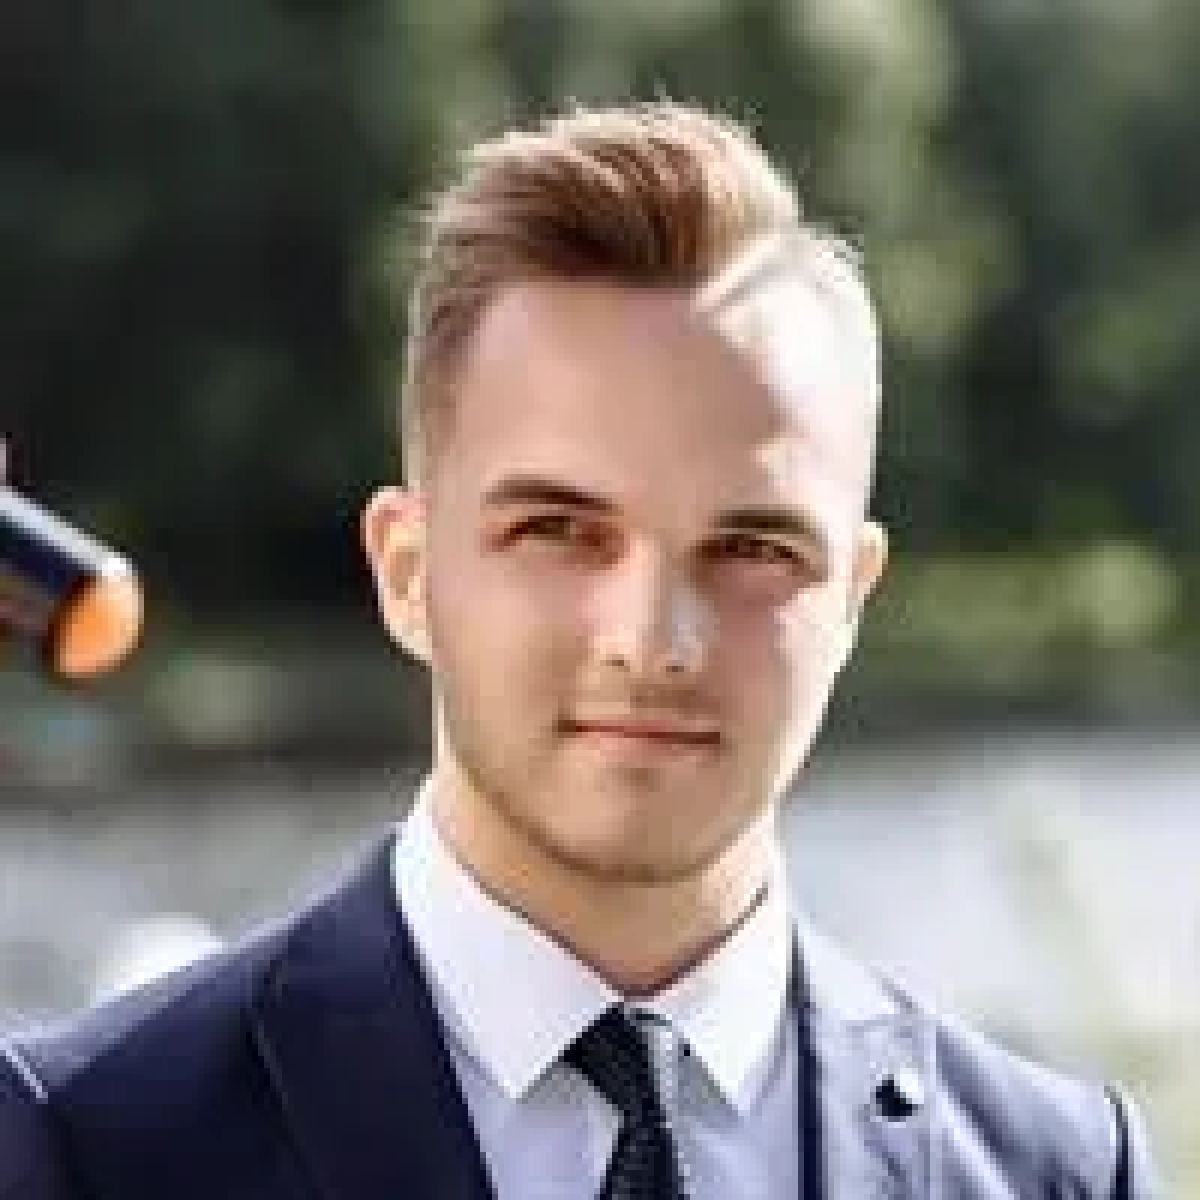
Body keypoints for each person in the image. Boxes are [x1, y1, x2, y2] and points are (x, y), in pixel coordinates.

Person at [1, 102, 1157, 1199]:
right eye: (559, 530)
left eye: (752, 547)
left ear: (852, 597)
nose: (653, 641)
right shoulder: (86, 1144)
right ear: (407, 572)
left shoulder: (1052, 1172)